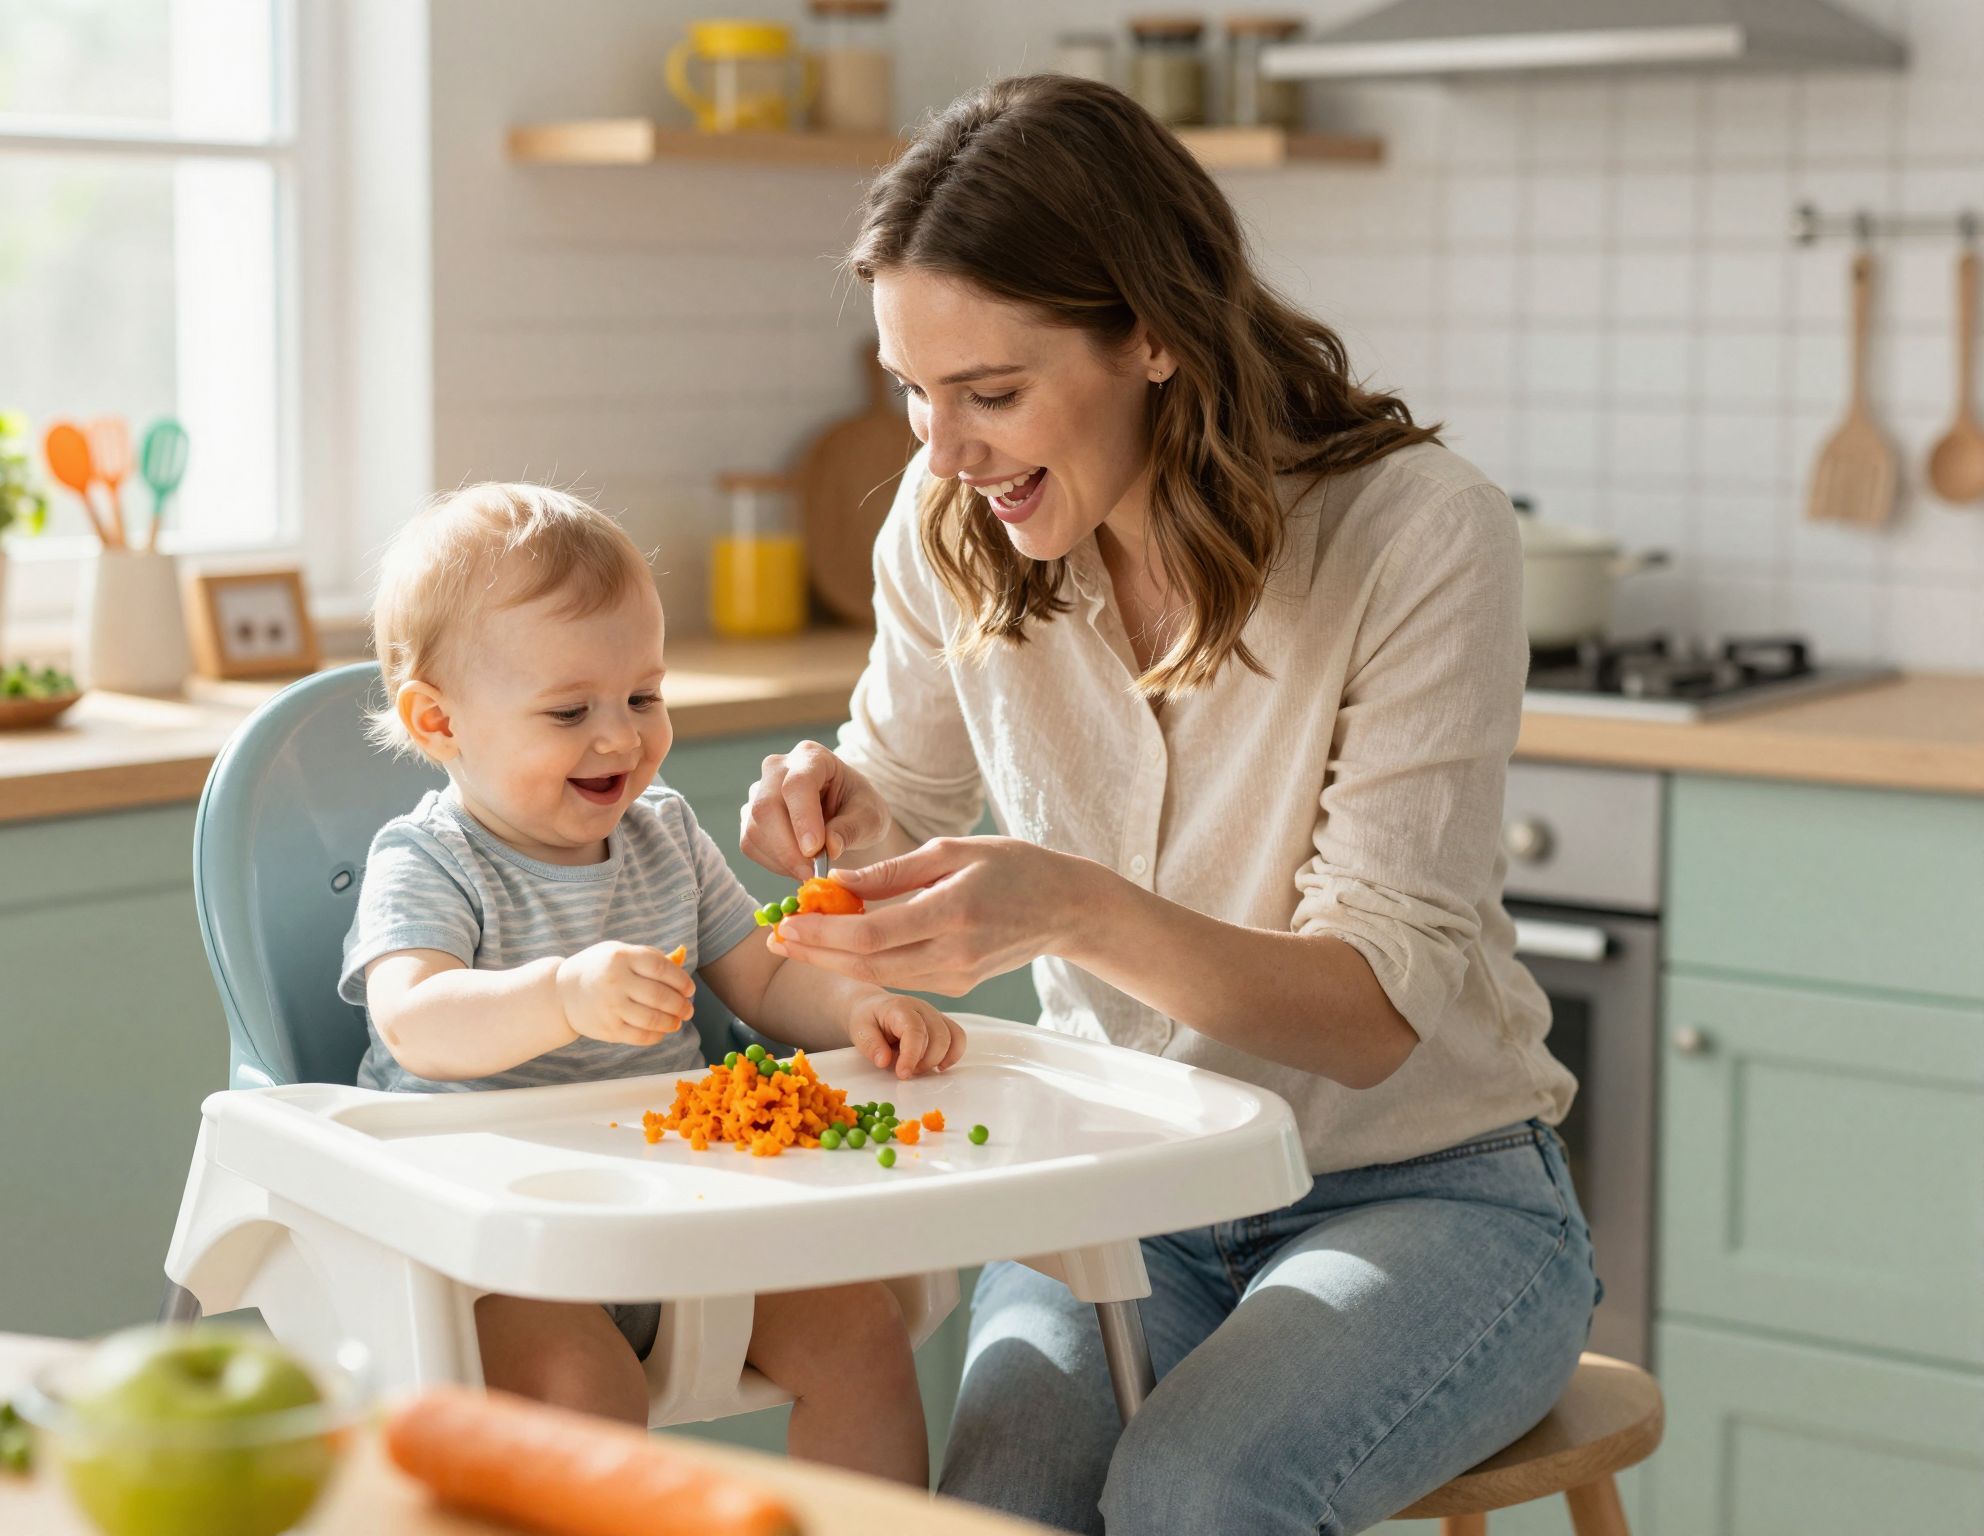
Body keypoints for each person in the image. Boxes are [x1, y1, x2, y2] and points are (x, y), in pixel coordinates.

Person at [738, 77, 1598, 1533]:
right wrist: (838, 808)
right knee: (1005, 1507)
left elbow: (1373, 1015)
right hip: (1121, 1185)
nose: (942, 450)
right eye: (911, 390)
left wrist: (1069, 905)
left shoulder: (1415, 533)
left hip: (1425, 1194)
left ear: (1153, 334)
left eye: (991, 394)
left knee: (1199, 1490)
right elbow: (904, 787)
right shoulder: (950, 527)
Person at [337, 482, 965, 1485]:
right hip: (499, 1251)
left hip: (682, 1208)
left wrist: (860, 1008)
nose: (621, 738)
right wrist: (559, 998)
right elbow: (414, 1022)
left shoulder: (663, 832)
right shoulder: (427, 861)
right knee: (588, 1399)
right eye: (569, 710)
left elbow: (760, 976)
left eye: (643, 696)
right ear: (438, 721)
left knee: (861, 1331)